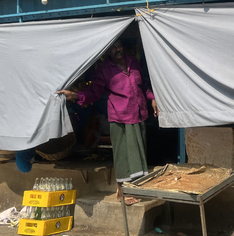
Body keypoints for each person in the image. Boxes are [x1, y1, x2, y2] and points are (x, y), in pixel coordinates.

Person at [58, 39, 159, 205]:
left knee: (137, 153)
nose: (117, 49)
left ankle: (135, 188)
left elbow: (144, 85)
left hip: (139, 114)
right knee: (123, 155)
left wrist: (152, 98)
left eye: (119, 45)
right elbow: (94, 91)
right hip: (120, 117)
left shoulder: (133, 62)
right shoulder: (104, 70)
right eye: (113, 48)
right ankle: (123, 192)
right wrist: (76, 96)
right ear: (107, 52)